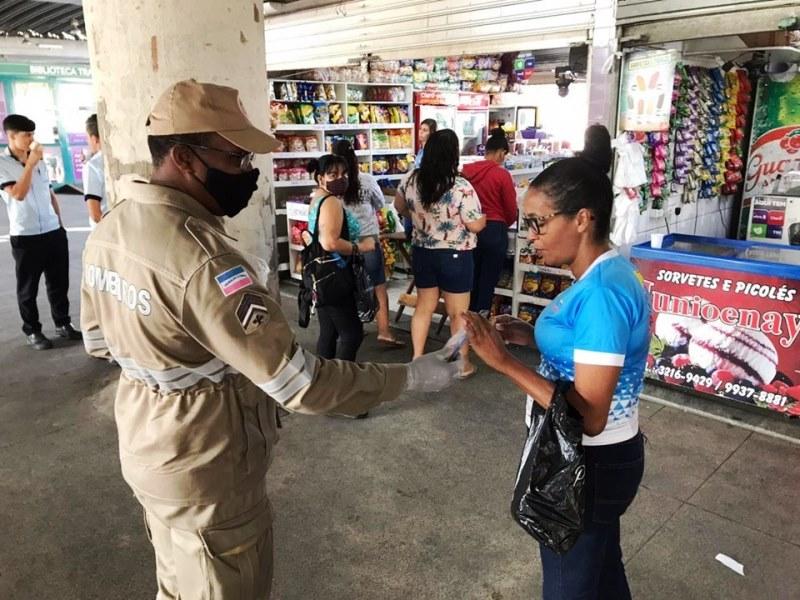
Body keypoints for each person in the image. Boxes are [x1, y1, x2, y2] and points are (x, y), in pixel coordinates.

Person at [81, 80, 462, 600]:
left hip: (148, 450)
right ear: (187, 159)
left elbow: (99, 341)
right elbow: (299, 383)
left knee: (177, 585)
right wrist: (411, 376)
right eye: (237, 158)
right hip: (207, 467)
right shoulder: (205, 261)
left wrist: (177, 356)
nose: (248, 173)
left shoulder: (110, 230)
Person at [463, 146, 650, 600]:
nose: (530, 236)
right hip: (595, 460)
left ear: (582, 219)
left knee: (569, 587)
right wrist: (534, 337)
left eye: (538, 222)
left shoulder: (603, 293)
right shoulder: (595, 277)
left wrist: (504, 363)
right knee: (603, 574)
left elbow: (589, 416)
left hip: (590, 462)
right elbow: (586, 351)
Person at [395, 128, 486, 377]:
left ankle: (416, 359)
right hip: (456, 255)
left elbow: (399, 206)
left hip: (423, 251)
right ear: (453, 155)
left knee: (424, 307)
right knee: (458, 312)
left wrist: (420, 220)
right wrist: (483, 219)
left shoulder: (411, 179)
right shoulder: (461, 186)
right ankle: (461, 364)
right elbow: (475, 224)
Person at [0, 114, 82, 350]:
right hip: (25, 236)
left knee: (59, 282)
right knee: (28, 287)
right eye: (26, 135)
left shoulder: (39, 161)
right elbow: (18, 193)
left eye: (33, 134)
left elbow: (48, 192)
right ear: (11, 136)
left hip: (52, 231)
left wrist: (59, 222)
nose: (31, 140)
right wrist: (30, 164)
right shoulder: (3, 164)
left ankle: (63, 323)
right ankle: (33, 330)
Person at [332, 138, 405, 348]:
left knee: (350, 288)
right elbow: (380, 203)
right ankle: (384, 332)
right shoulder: (366, 180)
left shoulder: (334, 186)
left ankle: (353, 330)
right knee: (378, 287)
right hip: (369, 241)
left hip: (344, 244)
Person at [307, 153, 376, 361]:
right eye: (333, 174)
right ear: (320, 177)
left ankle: (324, 378)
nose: (341, 178)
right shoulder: (331, 203)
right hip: (335, 274)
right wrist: (361, 247)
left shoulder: (317, 198)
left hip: (321, 273)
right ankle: (343, 381)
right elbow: (330, 242)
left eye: (344, 173)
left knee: (329, 331)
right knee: (352, 334)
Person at [462, 128, 518, 313]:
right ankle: (482, 319)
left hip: (470, 228)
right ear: (502, 153)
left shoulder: (467, 172)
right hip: (494, 229)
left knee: (471, 276)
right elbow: (511, 208)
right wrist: (505, 223)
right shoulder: (502, 175)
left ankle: (466, 319)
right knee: (488, 279)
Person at [84, 113, 106, 228]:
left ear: (94, 139)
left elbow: (95, 214)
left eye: (87, 138)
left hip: (107, 232)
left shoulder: (93, 165)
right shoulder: (122, 157)